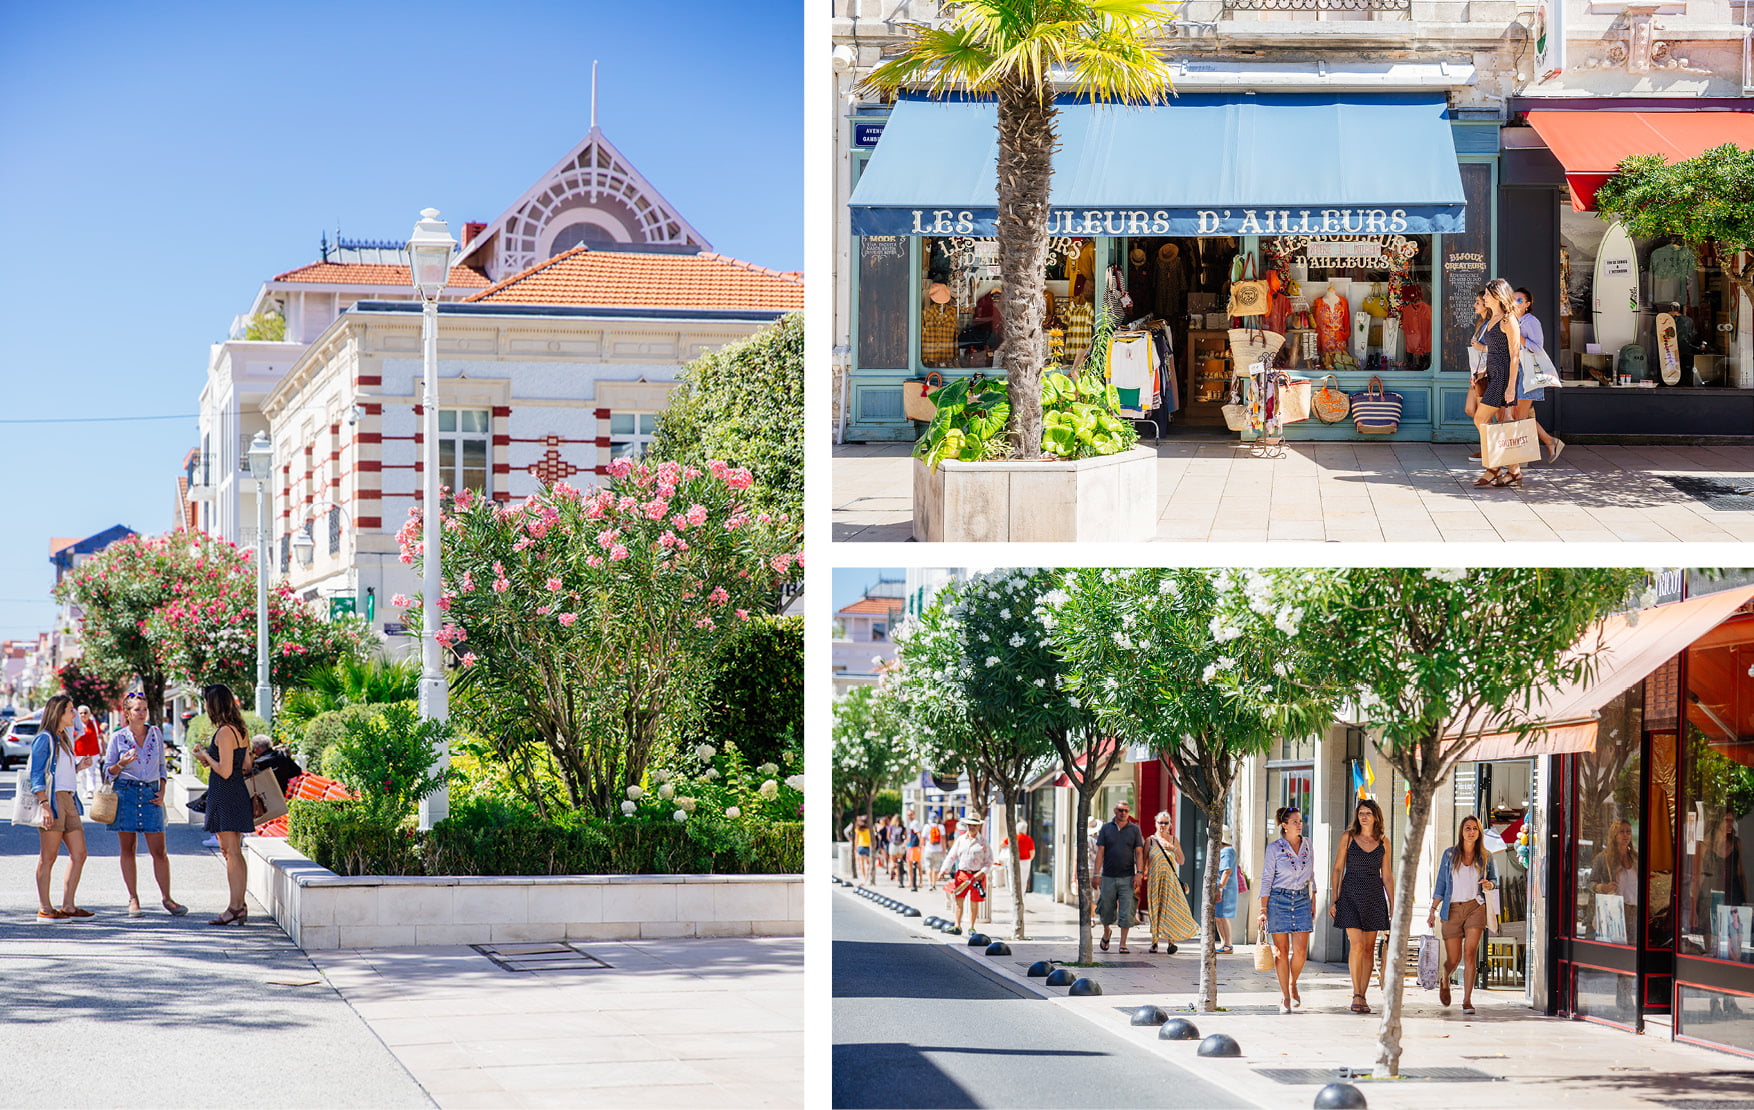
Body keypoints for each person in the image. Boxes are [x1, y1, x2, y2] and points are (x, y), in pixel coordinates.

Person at [104, 692, 187, 918]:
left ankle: (167, 898)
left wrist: (162, 791)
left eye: (144, 709)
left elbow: (162, 766)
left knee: (159, 851)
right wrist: (122, 763)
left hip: (151, 794)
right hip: (126, 793)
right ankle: (133, 898)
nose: (142, 713)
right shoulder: (118, 738)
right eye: (137, 709)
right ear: (127, 714)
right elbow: (107, 771)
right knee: (128, 849)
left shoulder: (156, 734)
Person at [193, 683, 254, 926]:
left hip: (226, 794)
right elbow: (246, 765)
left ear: (214, 705)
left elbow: (226, 771)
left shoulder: (224, 732)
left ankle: (235, 907)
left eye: (207, 702)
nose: (206, 707)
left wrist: (207, 757)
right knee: (233, 852)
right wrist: (213, 760)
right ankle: (239, 905)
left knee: (231, 853)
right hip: (235, 793)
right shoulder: (240, 729)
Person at [28, 695, 93, 920]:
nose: (74, 714)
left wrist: (78, 767)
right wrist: (45, 805)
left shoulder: (64, 738)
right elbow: (37, 774)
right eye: (70, 710)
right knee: (48, 857)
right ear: (58, 712)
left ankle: (68, 905)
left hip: (69, 799)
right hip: (52, 801)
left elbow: (59, 773)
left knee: (80, 853)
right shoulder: (44, 739)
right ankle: (45, 908)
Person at [1428, 814, 1498, 1016]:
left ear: (1479, 833)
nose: (1471, 832)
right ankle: (1445, 976)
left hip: (1475, 907)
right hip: (1452, 909)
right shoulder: (1450, 855)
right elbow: (1441, 883)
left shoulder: (1485, 856)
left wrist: (1489, 884)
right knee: (1454, 958)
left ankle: (1467, 1000)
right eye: (1467, 828)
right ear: (1461, 831)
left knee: (1469, 954)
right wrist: (1433, 910)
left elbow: (1494, 880)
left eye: (1475, 828)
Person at [1330, 797, 1394, 1014]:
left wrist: (1393, 904)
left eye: (1368, 813)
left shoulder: (1384, 842)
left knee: (1368, 950)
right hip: (1350, 895)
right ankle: (1356, 994)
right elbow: (1338, 869)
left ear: (1376, 817)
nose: (1363, 817)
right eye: (1360, 813)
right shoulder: (1348, 838)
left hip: (1374, 896)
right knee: (1356, 946)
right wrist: (1334, 899)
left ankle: (1363, 995)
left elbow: (1387, 876)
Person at [1259, 806, 1318, 1014]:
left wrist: (1314, 896)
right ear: (1284, 825)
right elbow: (1267, 878)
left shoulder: (1308, 844)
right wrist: (1263, 908)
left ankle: (1293, 983)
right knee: (1281, 952)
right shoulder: (1274, 848)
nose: (1299, 824)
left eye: (1300, 820)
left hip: (1301, 898)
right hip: (1278, 899)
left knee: (1300, 951)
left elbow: (1312, 872)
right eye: (1295, 821)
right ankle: (1285, 996)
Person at [1471, 278, 1526, 488]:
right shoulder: (1493, 318)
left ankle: (1494, 466)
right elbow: (1494, 351)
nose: (1484, 297)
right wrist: (1483, 371)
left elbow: (1514, 354)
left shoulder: (1508, 319)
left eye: (1486, 294)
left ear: (1497, 296)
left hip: (1504, 375)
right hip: (1494, 373)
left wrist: (1511, 386)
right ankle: (1514, 470)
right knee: (1502, 424)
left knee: (1480, 419)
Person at [1510, 287, 1563, 462]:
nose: (1514, 302)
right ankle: (1550, 441)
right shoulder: (1511, 320)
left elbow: (1538, 347)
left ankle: (1520, 458)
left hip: (1527, 371)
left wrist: (1518, 337)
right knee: (1519, 413)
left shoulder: (1530, 321)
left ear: (1527, 304)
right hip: (1515, 370)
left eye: (1519, 300)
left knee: (1521, 415)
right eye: (1512, 299)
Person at [1094, 801, 1146, 954]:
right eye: (1121, 810)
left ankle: (1123, 943)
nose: (1123, 813)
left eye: (1126, 811)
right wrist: (1096, 874)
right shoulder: (1106, 829)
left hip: (1127, 877)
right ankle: (1106, 932)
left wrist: (1139, 873)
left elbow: (1139, 853)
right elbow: (1100, 853)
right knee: (1106, 909)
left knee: (1127, 911)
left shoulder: (1134, 830)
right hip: (1108, 876)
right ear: (1115, 810)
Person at [1145, 811, 1197, 955]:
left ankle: (1171, 942)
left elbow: (1181, 860)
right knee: (1155, 910)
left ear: (1170, 825)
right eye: (1160, 823)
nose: (1162, 826)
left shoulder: (1174, 840)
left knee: (1171, 909)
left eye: (1165, 823)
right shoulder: (1150, 840)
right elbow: (1143, 862)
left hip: (1171, 881)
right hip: (1155, 881)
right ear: (1155, 823)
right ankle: (1154, 942)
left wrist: (1173, 849)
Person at [938, 815, 991, 935]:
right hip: (962, 874)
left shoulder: (983, 842)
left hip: (977, 875)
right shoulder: (961, 840)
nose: (972, 827)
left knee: (974, 902)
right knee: (958, 900)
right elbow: (951, 856)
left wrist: (982, 872)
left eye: (974, 825)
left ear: (979, 826)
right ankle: (957, 925)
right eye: (969, 825)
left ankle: (971, 927)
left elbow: (989, 860)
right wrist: (943, 870)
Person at [1589, 817, 1639, 933]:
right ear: (1614, 835)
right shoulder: (1603, 858)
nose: (1625, 835)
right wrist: (1602, 887)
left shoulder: (1635, 858)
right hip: (1615, 909)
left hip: (1635, 910)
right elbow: (1590, 882)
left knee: (1633, 947)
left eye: (1628, 831)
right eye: (1622, 831)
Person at [1214, 826, 1240, 953]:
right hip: (1221, 888)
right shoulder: (1222, 850)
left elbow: (1227, 870)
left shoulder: (1228, 851)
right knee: (1218, 917)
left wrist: (1220, 888)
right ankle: (1224, 943)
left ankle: (1228, 944)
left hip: (1225, 889)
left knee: (1223, 916)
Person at [73, 704, 103, 798]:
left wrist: (104, 748)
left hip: (92, 751)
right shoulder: (74, 724)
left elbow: (100, 736)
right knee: (81, 772)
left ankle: (90, 790)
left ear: (89, 714)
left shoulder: (94, 723)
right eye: (81, 713)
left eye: (85, 713)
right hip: (79, 752)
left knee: (91, 771)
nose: (83, 715)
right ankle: (84, 789)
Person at [922, 813, 946, 891]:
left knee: (928, 867)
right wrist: (944, 849)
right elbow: (943, 839)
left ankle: (929, 884)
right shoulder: (941, 827)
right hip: (938, 850)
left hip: (928, 850)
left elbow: (923, 839)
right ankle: (934, 884)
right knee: (935, 868)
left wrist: (922, 848)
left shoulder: (926, 827)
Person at [852, 814, 873, 885]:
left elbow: (856, 839)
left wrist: (855, 848)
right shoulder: (870, 829)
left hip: (860, 846)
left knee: (861, 863)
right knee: (868, 863)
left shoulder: (858, 829)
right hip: (867, 846)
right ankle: (866, 878)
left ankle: (863, 877)